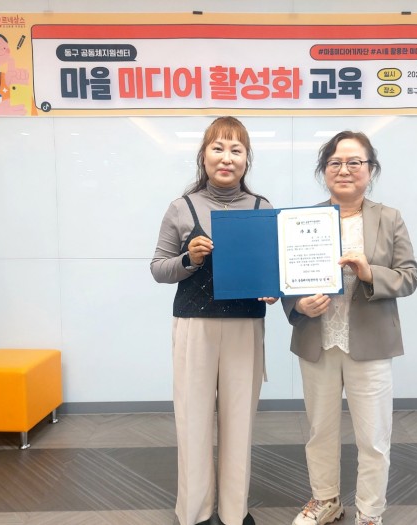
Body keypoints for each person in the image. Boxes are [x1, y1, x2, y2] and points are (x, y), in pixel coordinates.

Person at [282, 131, 417, 525]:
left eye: (354, 162)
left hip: (371, 343)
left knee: (373, 437)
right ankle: (325, 500)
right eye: (335, 162)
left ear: (370, 169)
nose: (344, 170)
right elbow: (284, 279)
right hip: (318, 339)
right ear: (324, 170)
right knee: (319, 430)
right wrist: (298, 304)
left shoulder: (389, 218)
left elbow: (409, 276)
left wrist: (369, 272)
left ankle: (370, 512)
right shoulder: (301, 220)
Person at [151, 116, 277, 525]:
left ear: (246, 159)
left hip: (245, 325)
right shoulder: (181, 207)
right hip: (195, 325)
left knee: (240, 422)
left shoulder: (261, 208)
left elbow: (274, 269)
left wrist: (273, 288)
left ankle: (235, 512)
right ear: (203, 156)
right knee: (193, 419)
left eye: (236, 150)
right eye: (218, 148)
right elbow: (158, 268)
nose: (227, 158)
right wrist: (188, 259)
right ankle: (194, 511)